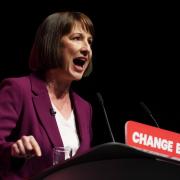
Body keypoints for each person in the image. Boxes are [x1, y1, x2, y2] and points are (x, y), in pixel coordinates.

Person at [0, 11, 94, 179]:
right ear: (53, 43)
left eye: (90, 41)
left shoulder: (85, 108)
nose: (87, 48)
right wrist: (13, 149)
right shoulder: (18, 90)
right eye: (77, 38)